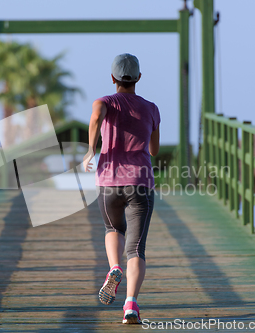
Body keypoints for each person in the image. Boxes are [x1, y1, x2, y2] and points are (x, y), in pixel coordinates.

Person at [83, 53, 160, 324]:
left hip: (109, 181)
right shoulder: (151, 108)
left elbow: (95, 118)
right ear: (138, 78)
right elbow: (154, 149)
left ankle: (114, 268)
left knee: (113, 229)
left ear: (113, 78)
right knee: (137, 249)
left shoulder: (103, 102)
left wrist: (91, 150)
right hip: (140, 181)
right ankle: (131, 306)